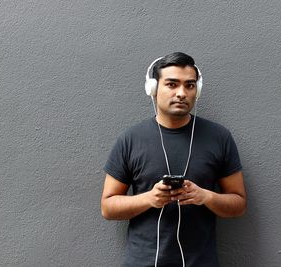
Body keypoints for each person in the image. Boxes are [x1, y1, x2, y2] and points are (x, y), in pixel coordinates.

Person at [101, 52, 246, 267]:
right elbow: (108, 207)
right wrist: (150, 198)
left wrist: (204, 196)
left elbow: (238, 204)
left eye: (189, 85)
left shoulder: (219, 137)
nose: (181, 93)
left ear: (197, 90)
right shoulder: (130, 139)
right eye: (172, 84)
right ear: (153, 89)